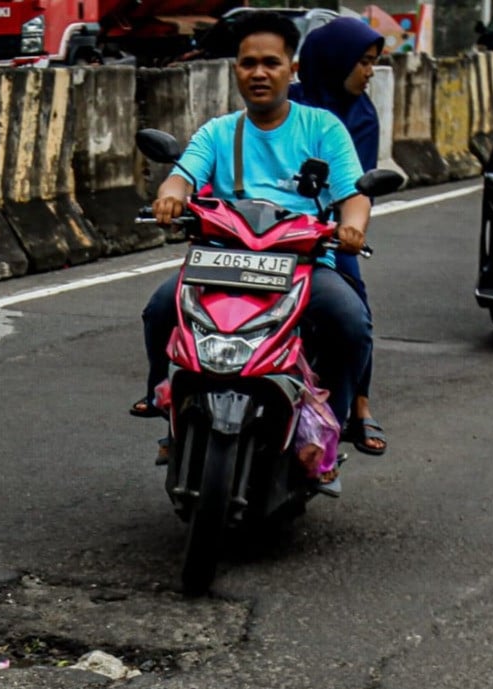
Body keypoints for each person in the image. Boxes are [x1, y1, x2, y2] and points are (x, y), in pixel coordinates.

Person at [132, 11, 374, 475]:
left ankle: (331, 425)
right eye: (248, 64)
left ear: (291, 69)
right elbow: (181, 178)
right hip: (222, 259)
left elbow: (353, 195)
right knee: (162, 308)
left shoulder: (323, 129)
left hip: (301, 263)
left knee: (350, 322)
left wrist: (352, 226)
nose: (259, 73)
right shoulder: (218, 132)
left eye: (270, 62)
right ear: (235, 70)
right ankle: (168, 407)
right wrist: (168, 199)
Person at [288, 17, 388, 457]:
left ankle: (357, 408)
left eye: (372, 63)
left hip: (326, 231)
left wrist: (345, 226)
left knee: (355, 311)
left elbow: (354, 186)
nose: (369, 72)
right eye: (362, 62)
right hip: (267, 229)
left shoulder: (361, 116)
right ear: (334, 62)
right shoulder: (285, 104)